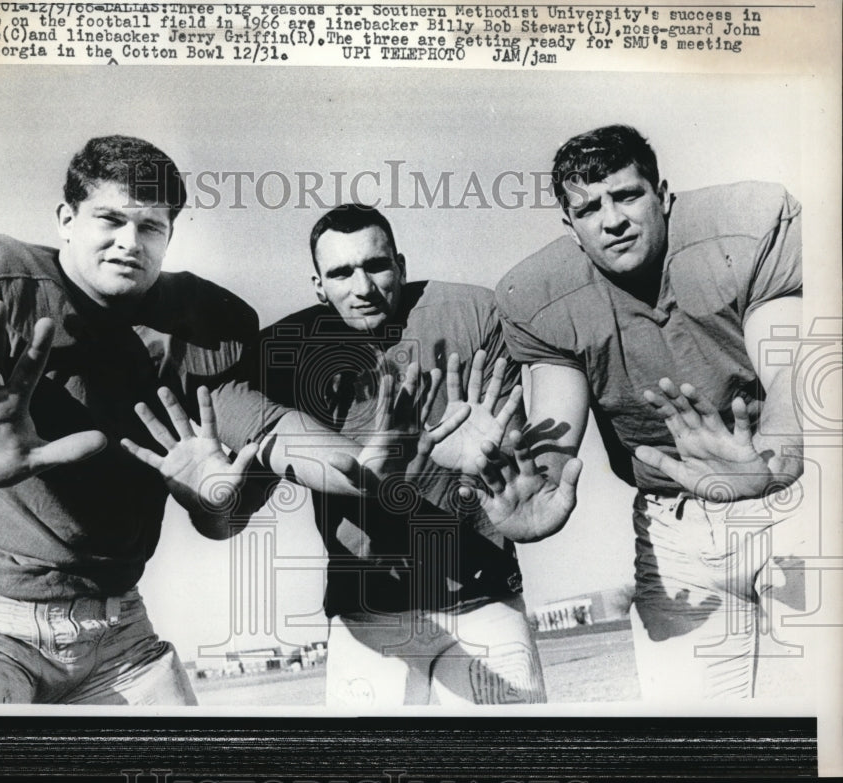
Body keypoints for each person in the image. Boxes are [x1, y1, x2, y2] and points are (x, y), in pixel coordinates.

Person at [0, 136, 413, 705]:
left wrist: (358, 468)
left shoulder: (202, 325)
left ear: (170, 236)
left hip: (117, 627)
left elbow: (269, 428)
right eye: (110, 220)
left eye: (150, 227)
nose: (129, 243)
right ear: (66, 219)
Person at [495, 124, 804, 700]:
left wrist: (771, 462)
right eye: (588, 208)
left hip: (793, 507)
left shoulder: (743, 227)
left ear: (662, 193)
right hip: (674, 529)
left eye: (627, 195)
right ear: (569, 226)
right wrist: (541, 486)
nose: (611, 219)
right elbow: (555, 435)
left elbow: (790, 372)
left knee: (822, 716)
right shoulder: (541, 297)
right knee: (691, 743)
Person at [255, 204, 581, 706]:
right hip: (366, 611)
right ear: (318, 285)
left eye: (376, 266)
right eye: (341, 273)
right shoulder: (287, 351)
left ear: (401, 266)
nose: (362, 288)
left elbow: (512, 468)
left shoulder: (473, 313)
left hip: (482, 595)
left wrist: (486, 456)